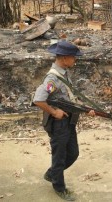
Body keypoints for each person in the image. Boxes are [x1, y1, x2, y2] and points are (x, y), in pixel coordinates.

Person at [33, 41, 95, 201]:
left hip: (69, 120)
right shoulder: (53, 78)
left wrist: (86, 109)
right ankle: (59, 187)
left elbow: (68, 98)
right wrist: (54, 112)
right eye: (74, 57)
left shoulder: (64, 73)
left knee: (73, 153)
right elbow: (38, 100)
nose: (75, 60)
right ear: (65, 58)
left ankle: (52, 173)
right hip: (59, 124)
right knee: (59, 157)